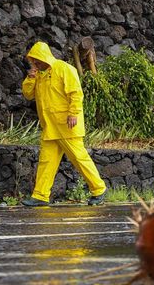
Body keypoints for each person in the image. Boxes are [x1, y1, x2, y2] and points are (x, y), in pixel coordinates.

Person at [21, 41, 107, 206]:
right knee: (46, 162)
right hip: (50, 126)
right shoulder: (39, 75)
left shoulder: (64, 69)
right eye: (33, 62)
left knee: (79, 158)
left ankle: (99, 189)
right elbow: (28, 94)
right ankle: (40, 195)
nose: (36, 64)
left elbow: (75, 93)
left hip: (67, 125)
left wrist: (73, 113)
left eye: (37, 61)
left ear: (45, 57)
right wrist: (30, 78)